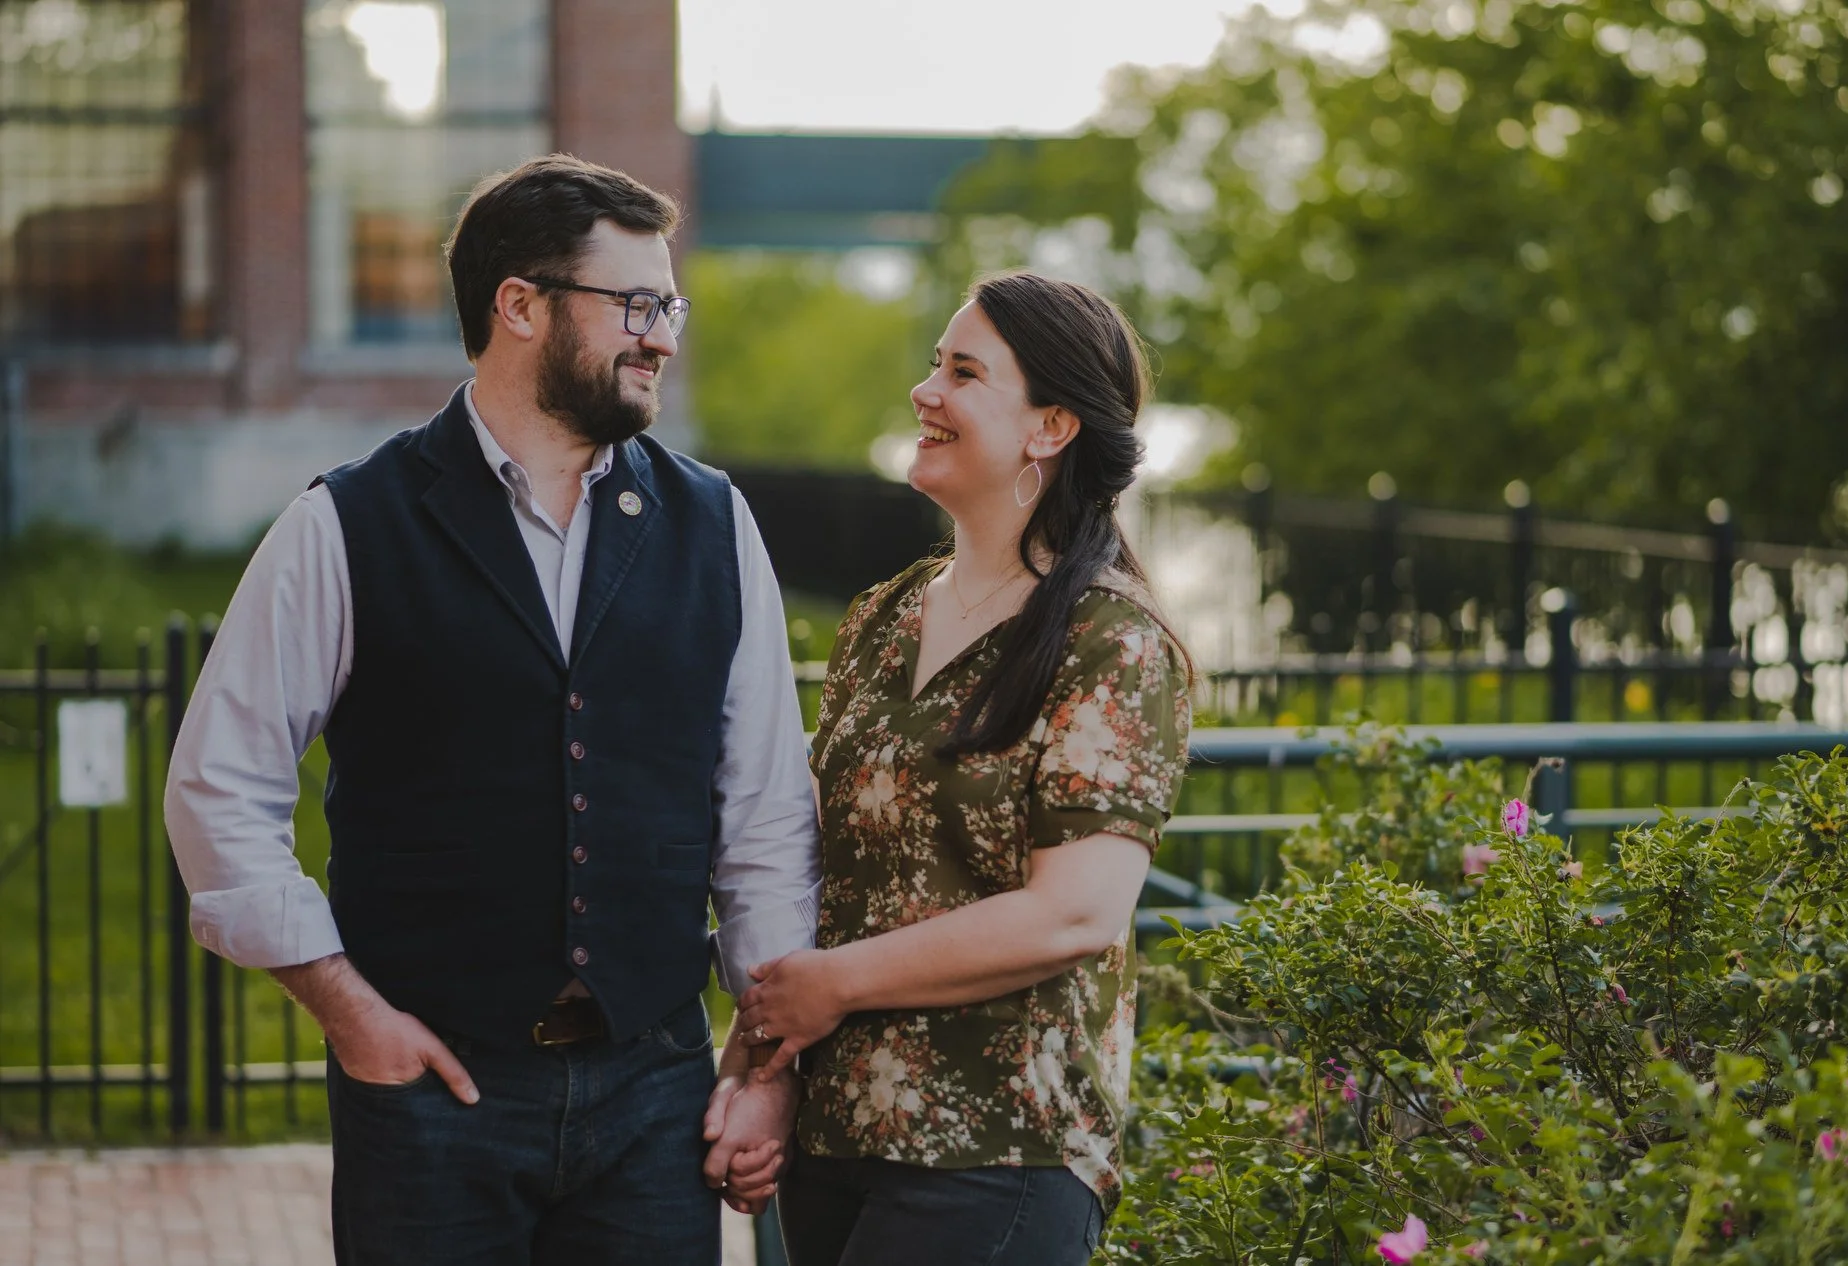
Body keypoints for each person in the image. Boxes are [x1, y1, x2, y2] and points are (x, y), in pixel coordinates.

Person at [164, 154, 808, 1265]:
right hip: (428, 1097)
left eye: (669, 309)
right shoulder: (347, 524)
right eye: (635, 305)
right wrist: (352, 1016)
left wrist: (763, 1067)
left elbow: (765, 820)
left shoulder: (715, 525)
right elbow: (218, 790)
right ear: (519, 304)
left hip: (655, 1097)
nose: (661, 339)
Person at [730, 271, 1193, 1266]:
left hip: (999, 1146)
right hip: (838, 1136)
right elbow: (819, 866)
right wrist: (757, 1070)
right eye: (934, 364)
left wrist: (833, 984)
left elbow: (1074, 913)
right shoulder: (882, 617)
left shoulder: (1110, 641)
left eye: (964, 373)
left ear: (1049, 428)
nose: (924, 391)